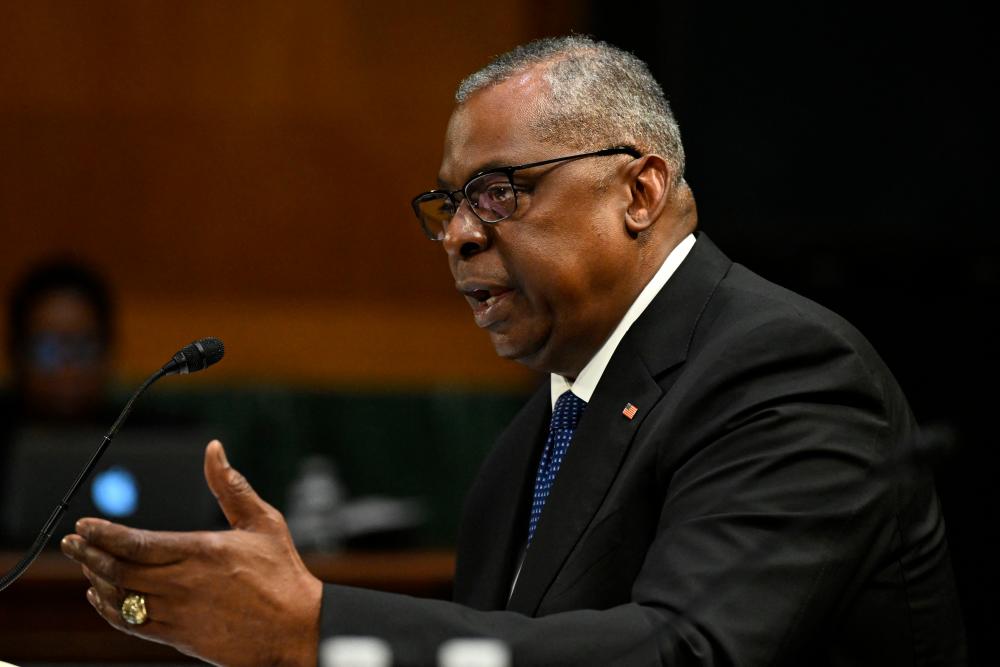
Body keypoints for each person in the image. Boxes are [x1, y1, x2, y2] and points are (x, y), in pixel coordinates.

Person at [59, 36, 966, 666]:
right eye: (447, 205)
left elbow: (686, 651)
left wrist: (320, 630)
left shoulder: (785, 371)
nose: (458, 235)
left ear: (640, 190)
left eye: (497, 193)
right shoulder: (524, 454)